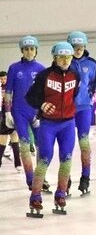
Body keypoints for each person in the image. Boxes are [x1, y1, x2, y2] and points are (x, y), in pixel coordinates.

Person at [24, 42, 80, 217]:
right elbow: (30, 96)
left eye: (68, 57)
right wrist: (42, 104)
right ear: (54, 58)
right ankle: (35, 196)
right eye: (61, 57)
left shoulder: (75, 75)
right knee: (45, 159)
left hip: (68, 124)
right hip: (48, 124)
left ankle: (61, 194)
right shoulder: (44, 76)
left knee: (67, 158)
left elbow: (74, 96)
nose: (65, 60)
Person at [5, 35, 50, 193]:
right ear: (22, 51)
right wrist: (7, 112)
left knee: (42, 146)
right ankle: (30, 179)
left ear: (36, 50)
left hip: (36, 112)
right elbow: (8, 91)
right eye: (26, 49)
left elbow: (46, 94)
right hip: (19, 112)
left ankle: (41, 177)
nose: (29, 51)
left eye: (32, 48)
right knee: (24, 146)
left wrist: (42, 114)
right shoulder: (14, 68)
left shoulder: (41, 69)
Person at [66, 31, 96, 196]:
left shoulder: (91, 63)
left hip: (85, 108)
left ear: (85, 47)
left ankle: (85, 177)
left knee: (84, 143)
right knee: (68, 145)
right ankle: (66, 179)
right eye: (74, 47)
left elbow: (94, 83)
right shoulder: (64, 62)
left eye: (80, 47)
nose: (78, 50)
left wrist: (88, 96)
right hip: (67, 110)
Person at [0, 70, 23, 173]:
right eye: (1, 79)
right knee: (2, 141)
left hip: (12, 114)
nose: (3, 80)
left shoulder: (11, 88)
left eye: (5, 78)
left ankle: (18, 163)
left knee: (15, 139)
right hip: (2, 116)